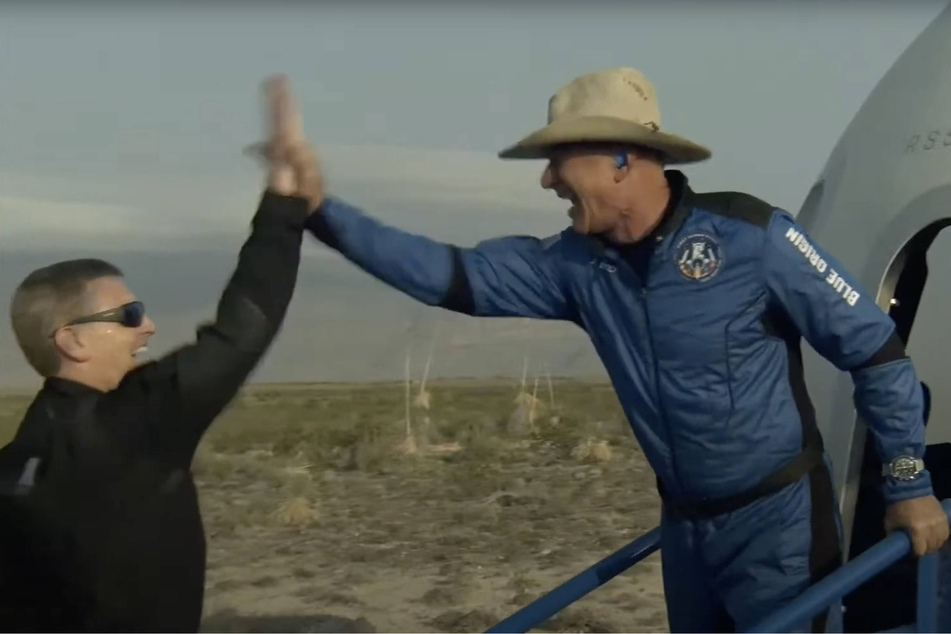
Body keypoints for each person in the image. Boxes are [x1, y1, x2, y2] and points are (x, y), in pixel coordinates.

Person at [272, 67, 950, 632]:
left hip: (777, 529)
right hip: (686, 534)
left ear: (623, 158)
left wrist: (908, 485)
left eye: (558, 159)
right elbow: (449, 275)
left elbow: (875, 351)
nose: (545, 181)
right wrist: (323, 212)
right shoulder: (574, 265)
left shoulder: (751, 238)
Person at [0, 76, 319, 631]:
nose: (146, 327)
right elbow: (241, 332)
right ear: (71, 341)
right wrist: (284, 201)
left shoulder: (19, 460)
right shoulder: (128, 427)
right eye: (126, 315)